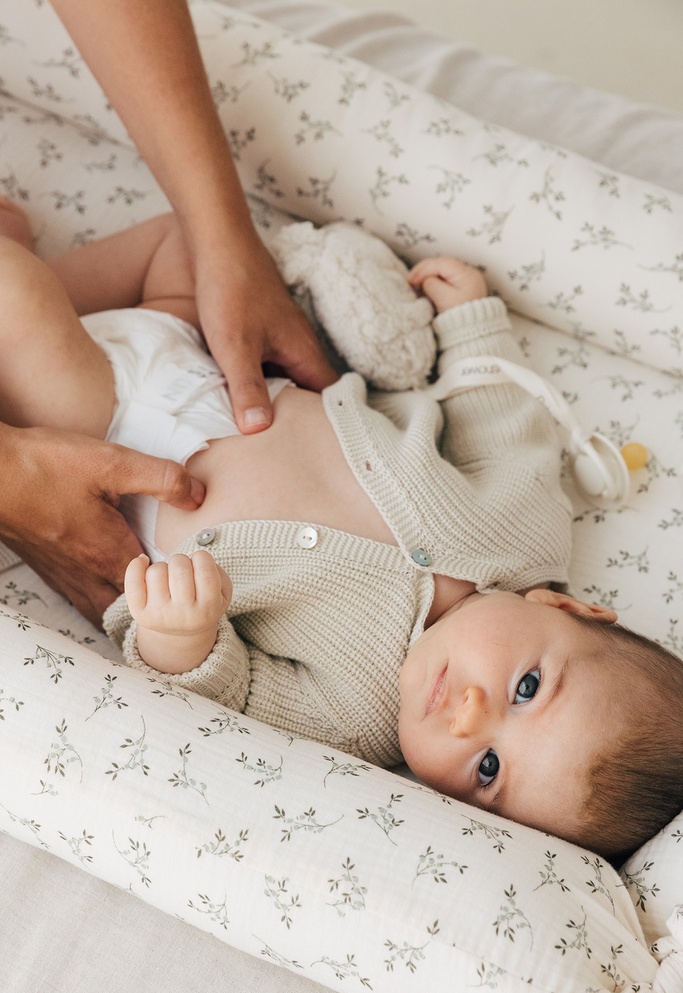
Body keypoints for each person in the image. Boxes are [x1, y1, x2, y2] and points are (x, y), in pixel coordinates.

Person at [0, 199, 680, 862]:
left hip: (100, 436)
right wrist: (472, 322)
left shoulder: (352, 718)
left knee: (15, 297)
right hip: (213, 357)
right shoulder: (524, 534)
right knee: (186, 239)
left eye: (487, 769)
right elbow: (500, 421)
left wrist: (182, 636)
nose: (468, 717)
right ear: (564, 607)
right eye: (525, 689)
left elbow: (234, 695)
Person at [0, 0, 336, 625]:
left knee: (186, 247)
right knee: (15, 293)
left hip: (168, 346)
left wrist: (222, 239)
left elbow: (185, 243)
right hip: (93, 423)